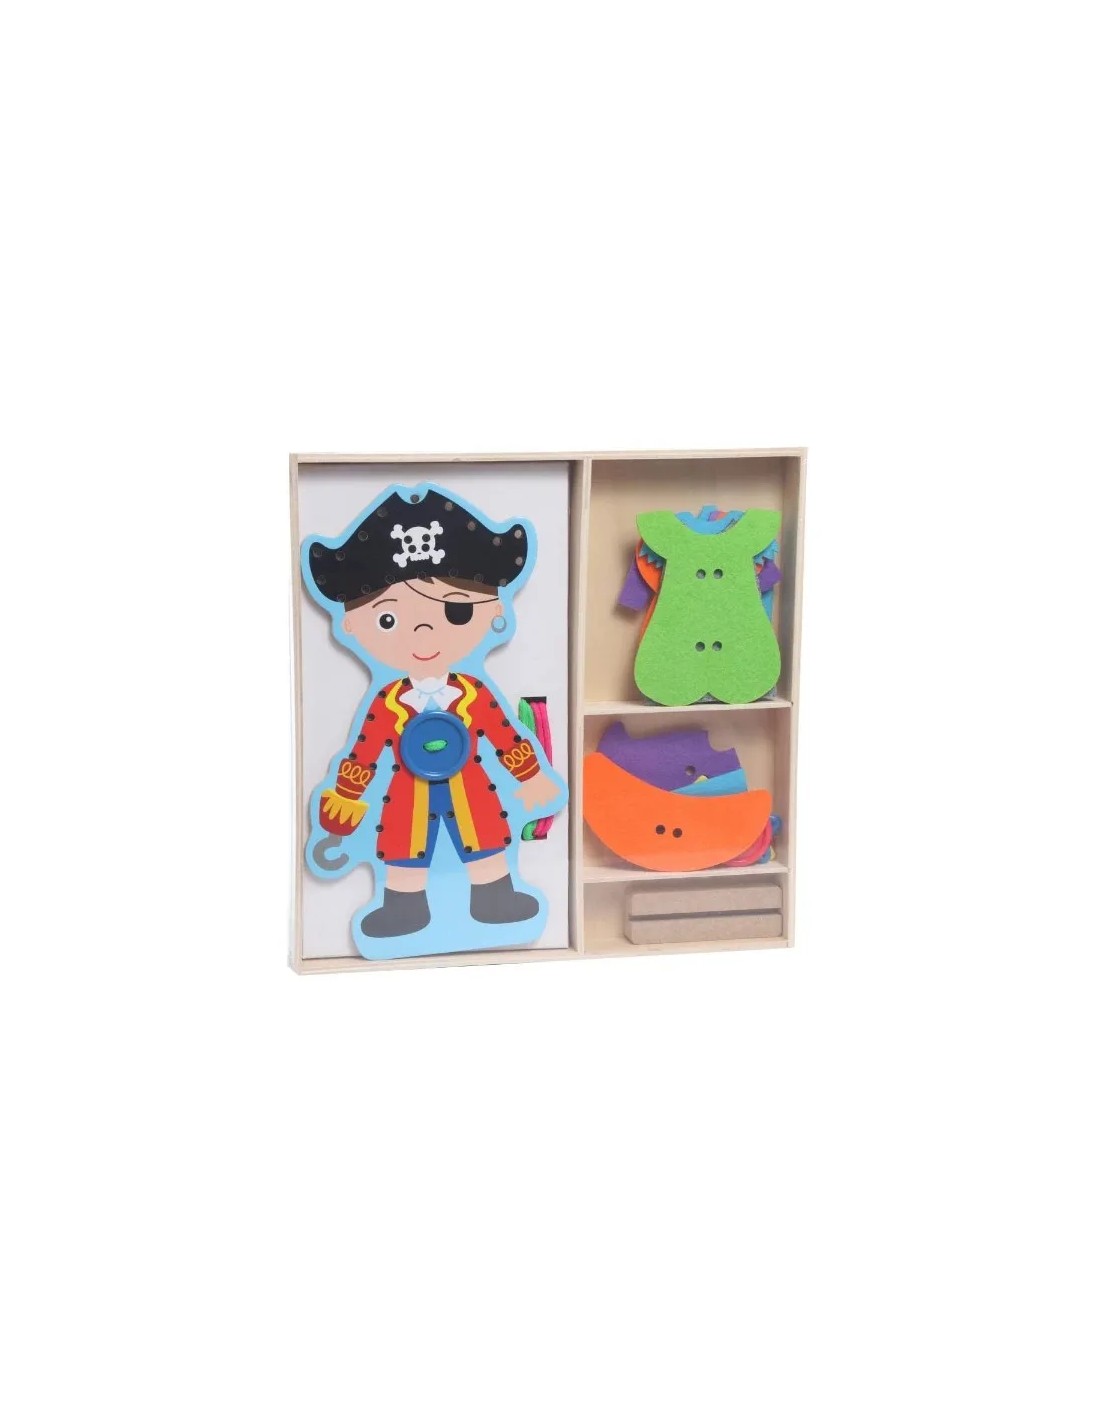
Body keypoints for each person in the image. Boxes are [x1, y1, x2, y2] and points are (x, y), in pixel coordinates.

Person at [303, 487, 562, 939]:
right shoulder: (387, 703)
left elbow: (504, 733)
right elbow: (365, 752)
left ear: (494, 610)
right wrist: (343, 802)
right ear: (350, 623)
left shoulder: (474, 693)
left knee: (485, 834)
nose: (423, 632)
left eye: (456, 612)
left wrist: (532, 777)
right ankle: (404, 908)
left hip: (473, 787)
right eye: (388, 620)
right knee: (403, 843)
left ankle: (495, 897)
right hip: (407, 792)